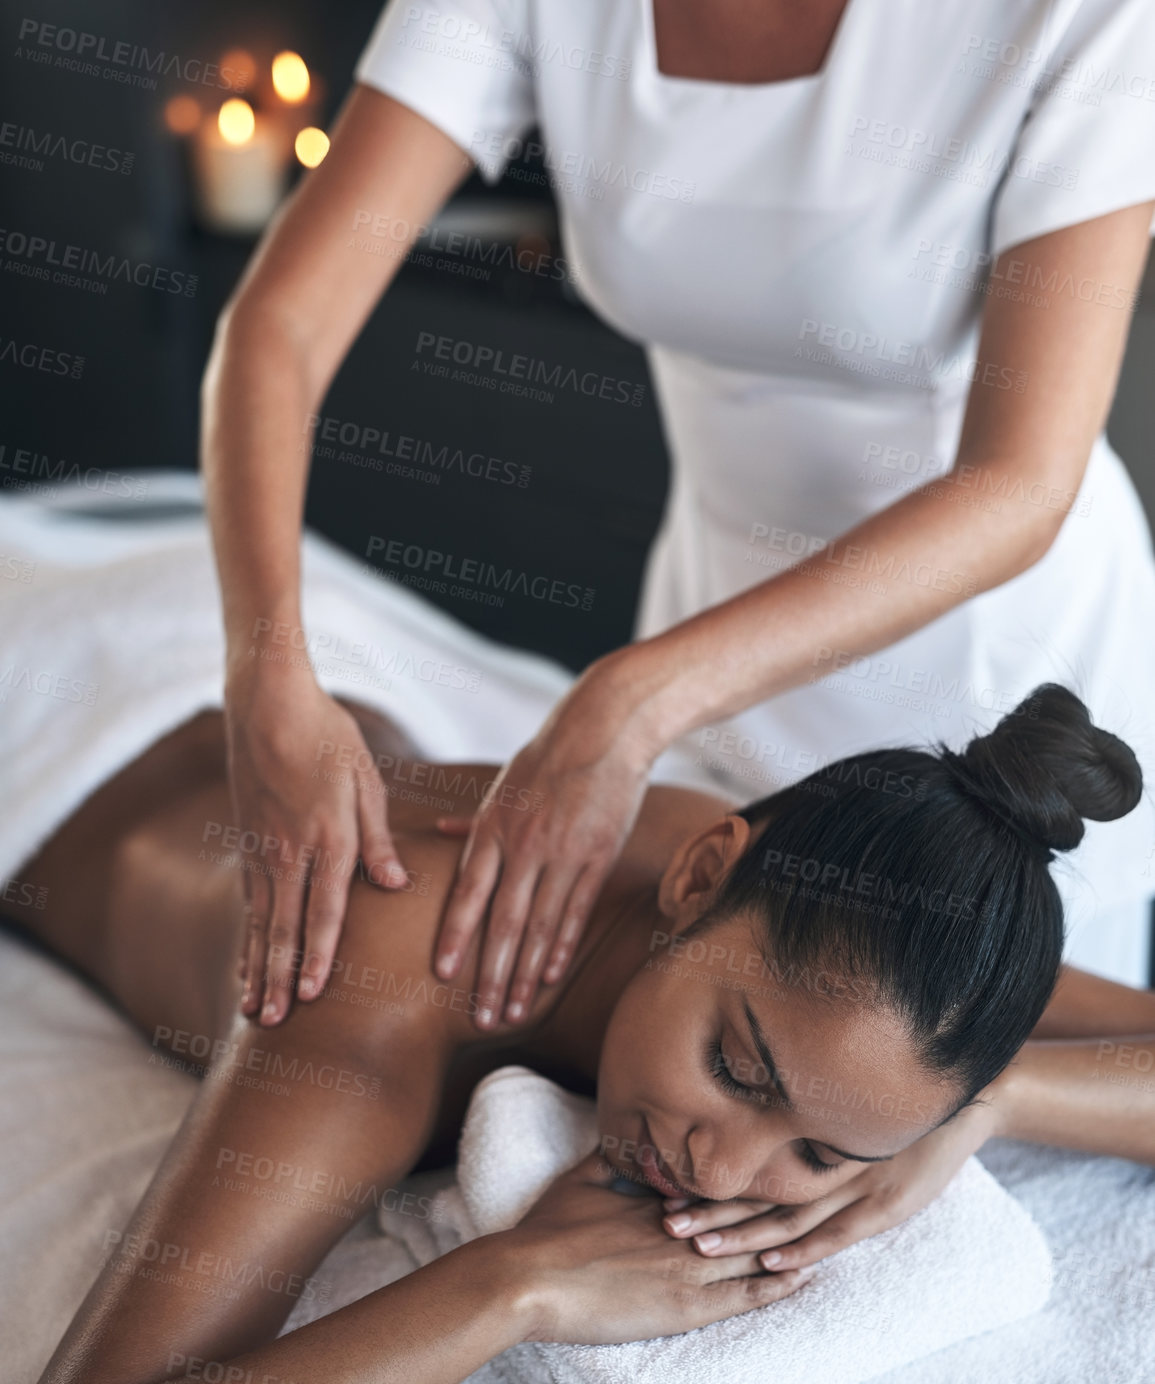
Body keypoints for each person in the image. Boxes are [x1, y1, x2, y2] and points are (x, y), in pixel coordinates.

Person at [2, 682, 1154, 1384]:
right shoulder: (376, 1002)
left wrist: (987, 1104)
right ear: (701, 875)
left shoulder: (865, 957)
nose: (719, 1170)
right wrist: (510, 1285)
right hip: (62, 741)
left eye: (818, 1152)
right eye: (738, 1070)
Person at [202, 0, 1155, 1037]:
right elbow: (282, 323)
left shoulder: (1082, 16)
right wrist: (265, 665)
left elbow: (1017, 485)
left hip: (991, 700)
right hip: (707, 668)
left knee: (930, 1142)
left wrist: (629, 704)